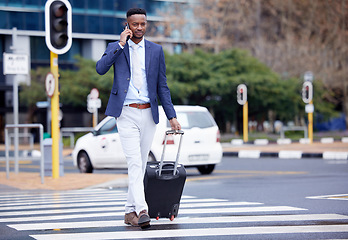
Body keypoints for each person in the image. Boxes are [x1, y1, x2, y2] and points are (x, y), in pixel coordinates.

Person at [96, 8, 181, 229]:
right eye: (135, 24)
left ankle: (128, 212)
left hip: (148, 113)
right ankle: (143, 210)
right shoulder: (116, 48)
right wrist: (120, 44)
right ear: (127, 25)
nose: (139, 28)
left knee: (141, 164)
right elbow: (100, 69)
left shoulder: (156, 50)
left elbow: (162, 86)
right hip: (126, 112)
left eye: (142, 24)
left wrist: (171, 116)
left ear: (146, 24)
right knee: (134, 163)